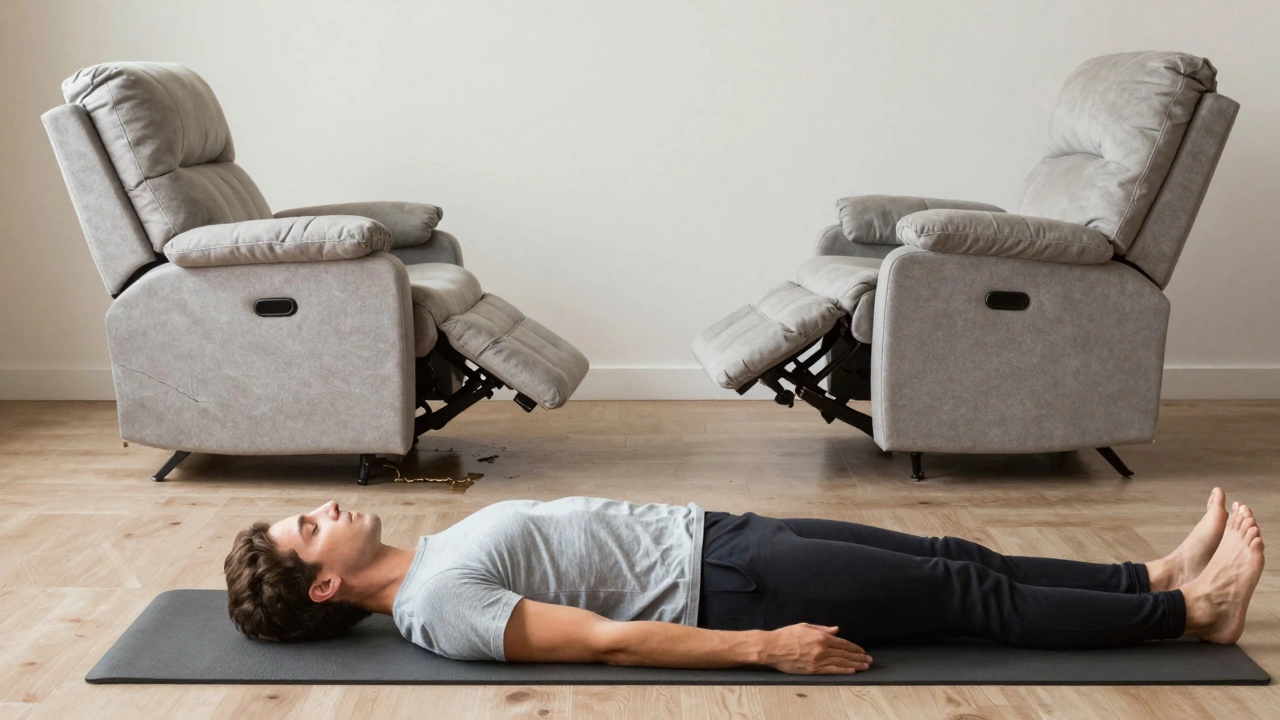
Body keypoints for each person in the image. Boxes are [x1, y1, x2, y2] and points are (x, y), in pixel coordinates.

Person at [223, 488, 1263, 675]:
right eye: (309, 529)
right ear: (322, 587)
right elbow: (599, 642)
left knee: (953, 558)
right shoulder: (434, 609)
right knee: (964, 603)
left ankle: (1143, 573)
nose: (325, 509)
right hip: (726, 590)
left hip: (714, 534)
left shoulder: (422, 559)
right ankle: (1186, 618)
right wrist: (766, 649)